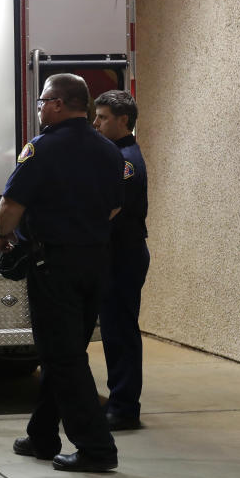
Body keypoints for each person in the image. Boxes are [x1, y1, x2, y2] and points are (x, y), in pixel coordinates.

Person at [0, 73, 123, 472]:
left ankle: (95, 448)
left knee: (63, 357)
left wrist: (4, 236)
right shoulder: (109, 150)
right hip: (95, 261)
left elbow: (9, 209)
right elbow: (114, 208)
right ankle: (42, 434)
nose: (38, 109)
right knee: (63, 350)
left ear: (55, 103)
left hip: (54, 265)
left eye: (41, 102)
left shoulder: (41, 149)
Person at [92, 90, 149, 431]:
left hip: (124, 254)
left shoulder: (126, 160)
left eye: (102, 118)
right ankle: (119, 400)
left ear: (123, 120)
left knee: (121, 330)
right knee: (113, 329)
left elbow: (111, 210)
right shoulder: (114, 154)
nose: (95, 123)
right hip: (115, 252)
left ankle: (125, 407)